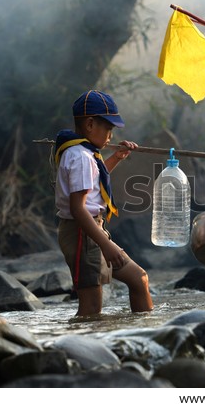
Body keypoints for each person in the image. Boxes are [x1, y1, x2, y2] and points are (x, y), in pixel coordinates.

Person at [54, 90, 154, 316]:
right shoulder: (80, 156)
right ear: (90, 125)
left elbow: (93, 181)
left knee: (139, 279)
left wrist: (117, 157)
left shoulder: (85, 153)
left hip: (93, 229)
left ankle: (148, 336)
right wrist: (107, 245)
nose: (110, 135)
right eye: (108, 128)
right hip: (83, 232)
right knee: (90, 309)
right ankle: (79, 350)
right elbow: (77, 209)